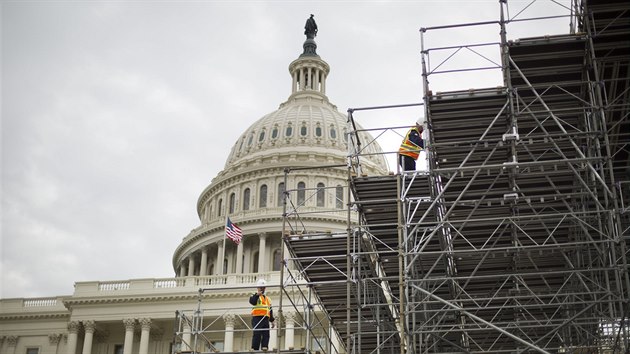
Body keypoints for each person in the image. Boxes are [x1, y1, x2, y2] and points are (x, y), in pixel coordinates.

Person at [249, 279, 275, 351]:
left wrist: (272, 320)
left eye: (263, 288)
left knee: (266, 334)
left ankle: (264, 346)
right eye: (261, 287)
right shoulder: (254, 296)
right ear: (258, 288)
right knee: (257, 333)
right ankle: (255, 348)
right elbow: (253, 302)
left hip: (265, 318)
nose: (262, 289)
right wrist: (257, 295)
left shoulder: (268, 299)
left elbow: (270, 310)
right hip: (257, 317)